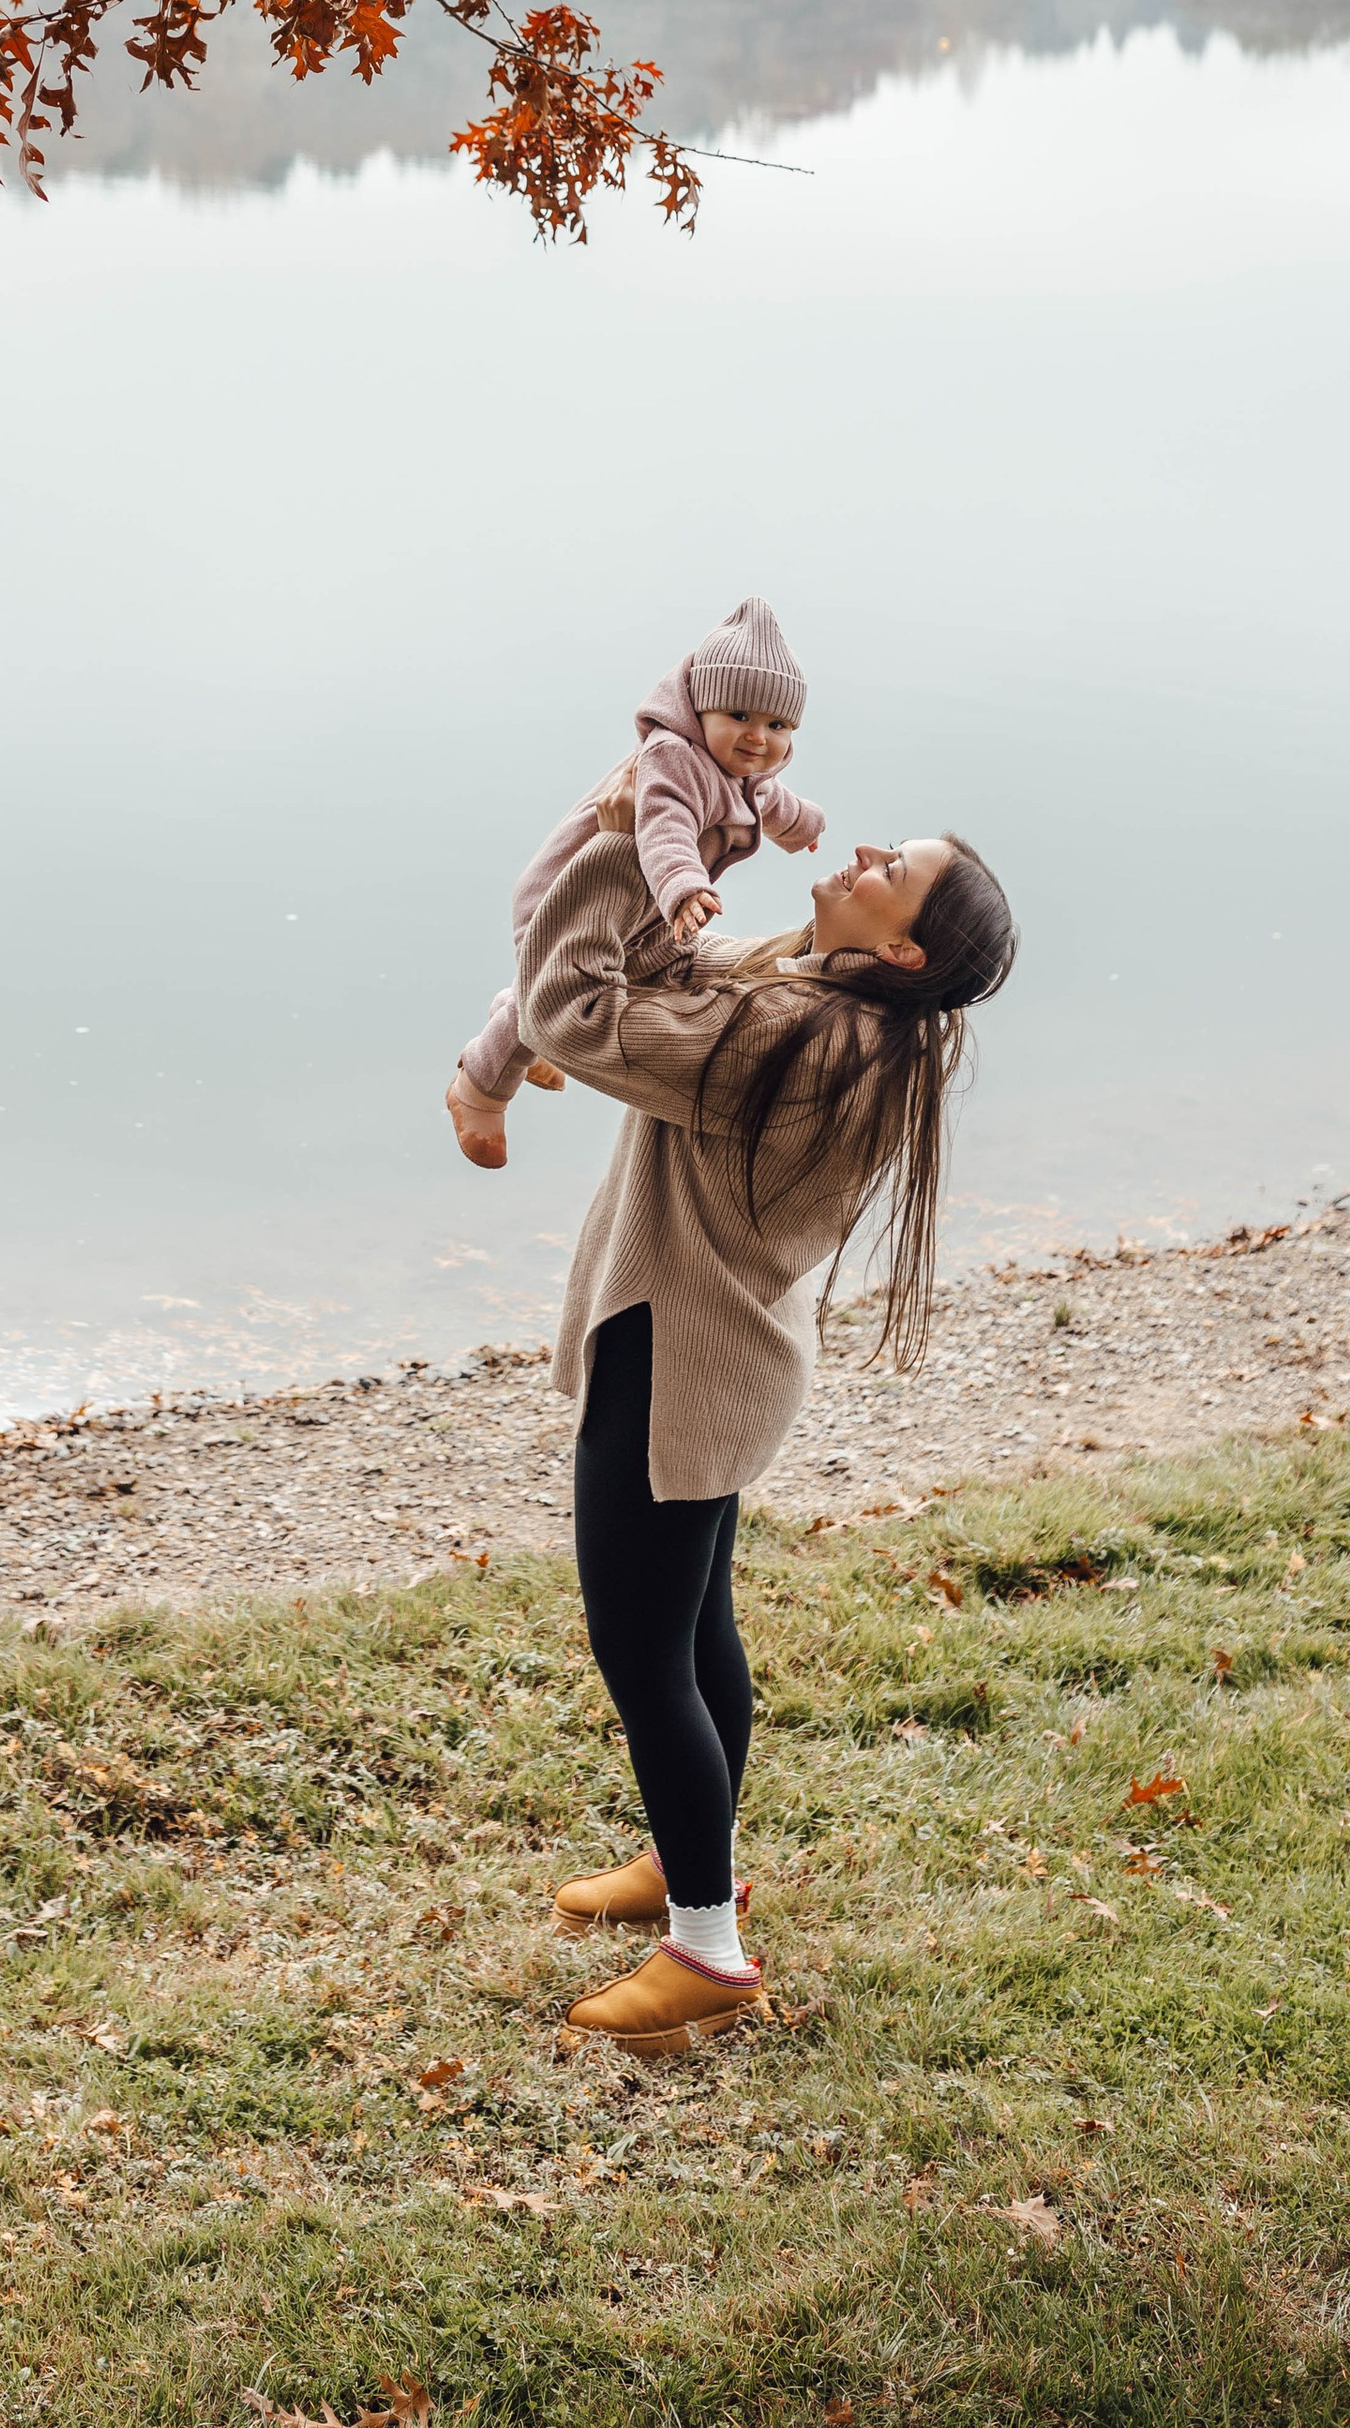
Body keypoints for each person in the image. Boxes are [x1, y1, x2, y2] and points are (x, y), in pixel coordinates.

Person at [511, 787, 1016, 2060]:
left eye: (889, 866)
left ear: (899, 948)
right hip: (728, 1357)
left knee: (643, 1653)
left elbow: (568, 1015)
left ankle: (706, 1954)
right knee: (696, 1630)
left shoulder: (796, 1035)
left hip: (674, 1361)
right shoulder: (862, 1022)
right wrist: (688, 847)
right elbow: (706, 960)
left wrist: (623, 844)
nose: (859, 852)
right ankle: (699, 1865)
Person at [444, 597, 827, 1174]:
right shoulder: (673, 757)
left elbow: (769, 801)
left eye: (777, 725)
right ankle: (480, 1085)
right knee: (551, 988)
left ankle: (529, 1036)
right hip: (572, 894)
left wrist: (803, 828)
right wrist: (683, 886)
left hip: (634, 912)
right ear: (698, 710)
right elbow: (664, 828)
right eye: (740, 717)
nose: (758, 738)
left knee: (600, 980)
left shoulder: (742, 772)